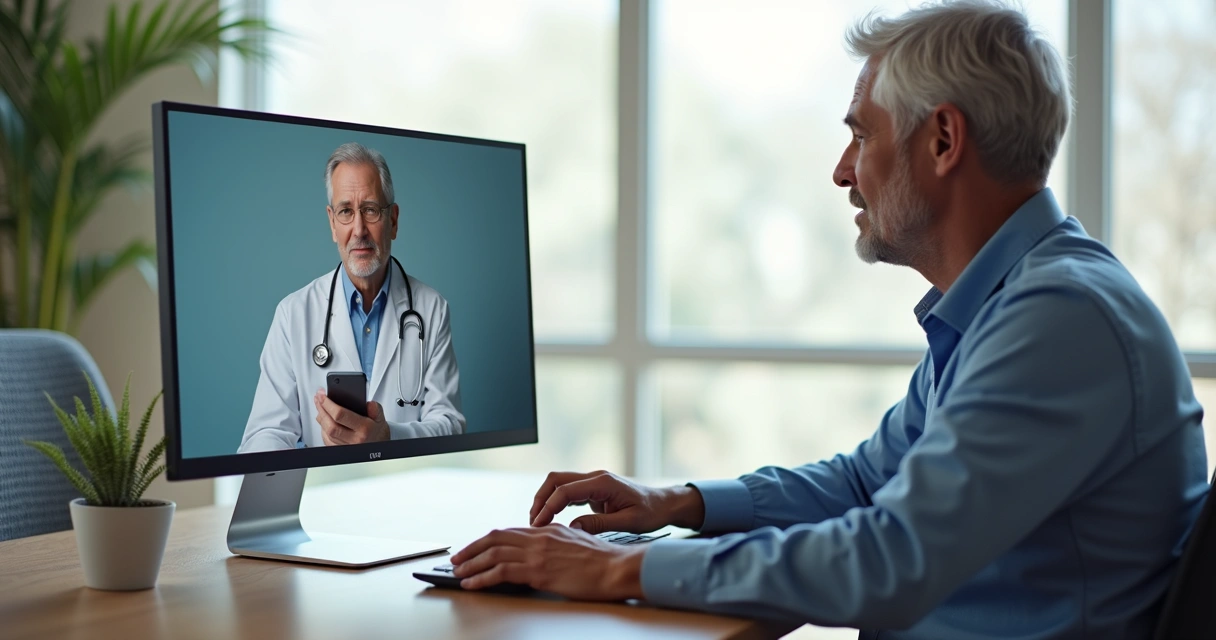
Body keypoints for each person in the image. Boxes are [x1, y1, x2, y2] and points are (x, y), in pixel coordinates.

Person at [447, 1, 1209, 637]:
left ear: (943, 140)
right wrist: (678, 503)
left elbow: (888, 560)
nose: (843, 170)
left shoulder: (1058, 318)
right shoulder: (1007, 305)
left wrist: (618, 567)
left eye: (861, 133)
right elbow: (866, 481)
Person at [239, 143, 465, 452]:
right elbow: (265, 434)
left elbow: (450, 426)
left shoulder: (431, 309)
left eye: (370, 210)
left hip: (401, 488)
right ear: (332, 223)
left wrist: (387, 438)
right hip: (322, 494)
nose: (358, 229)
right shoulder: (294, 314)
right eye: (346, 211)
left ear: (394, 221)